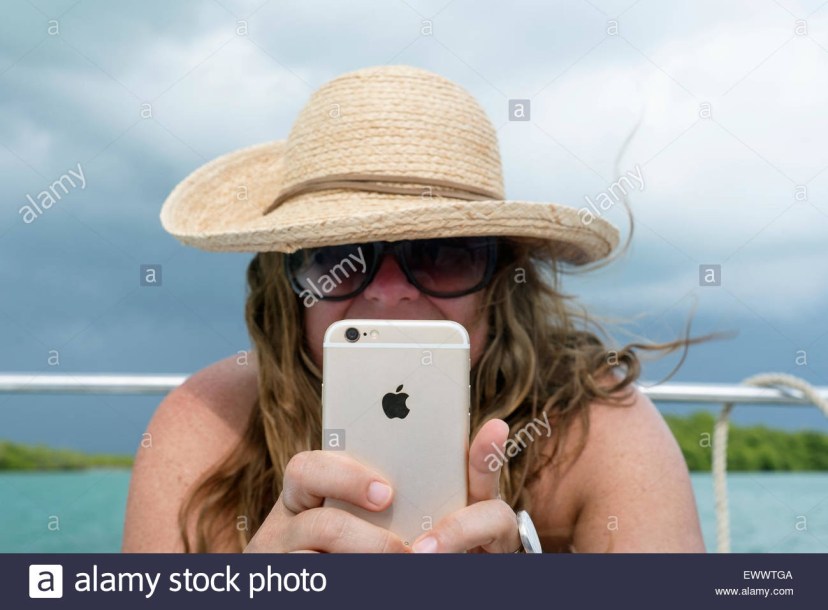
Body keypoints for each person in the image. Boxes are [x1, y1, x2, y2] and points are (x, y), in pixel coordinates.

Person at [122, 64, 711, 554]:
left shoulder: (594, 431)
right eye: (339, 254)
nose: (387, 289)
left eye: (442, 253)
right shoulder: (205, 426)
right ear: (287, 281)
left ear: (501, 282)